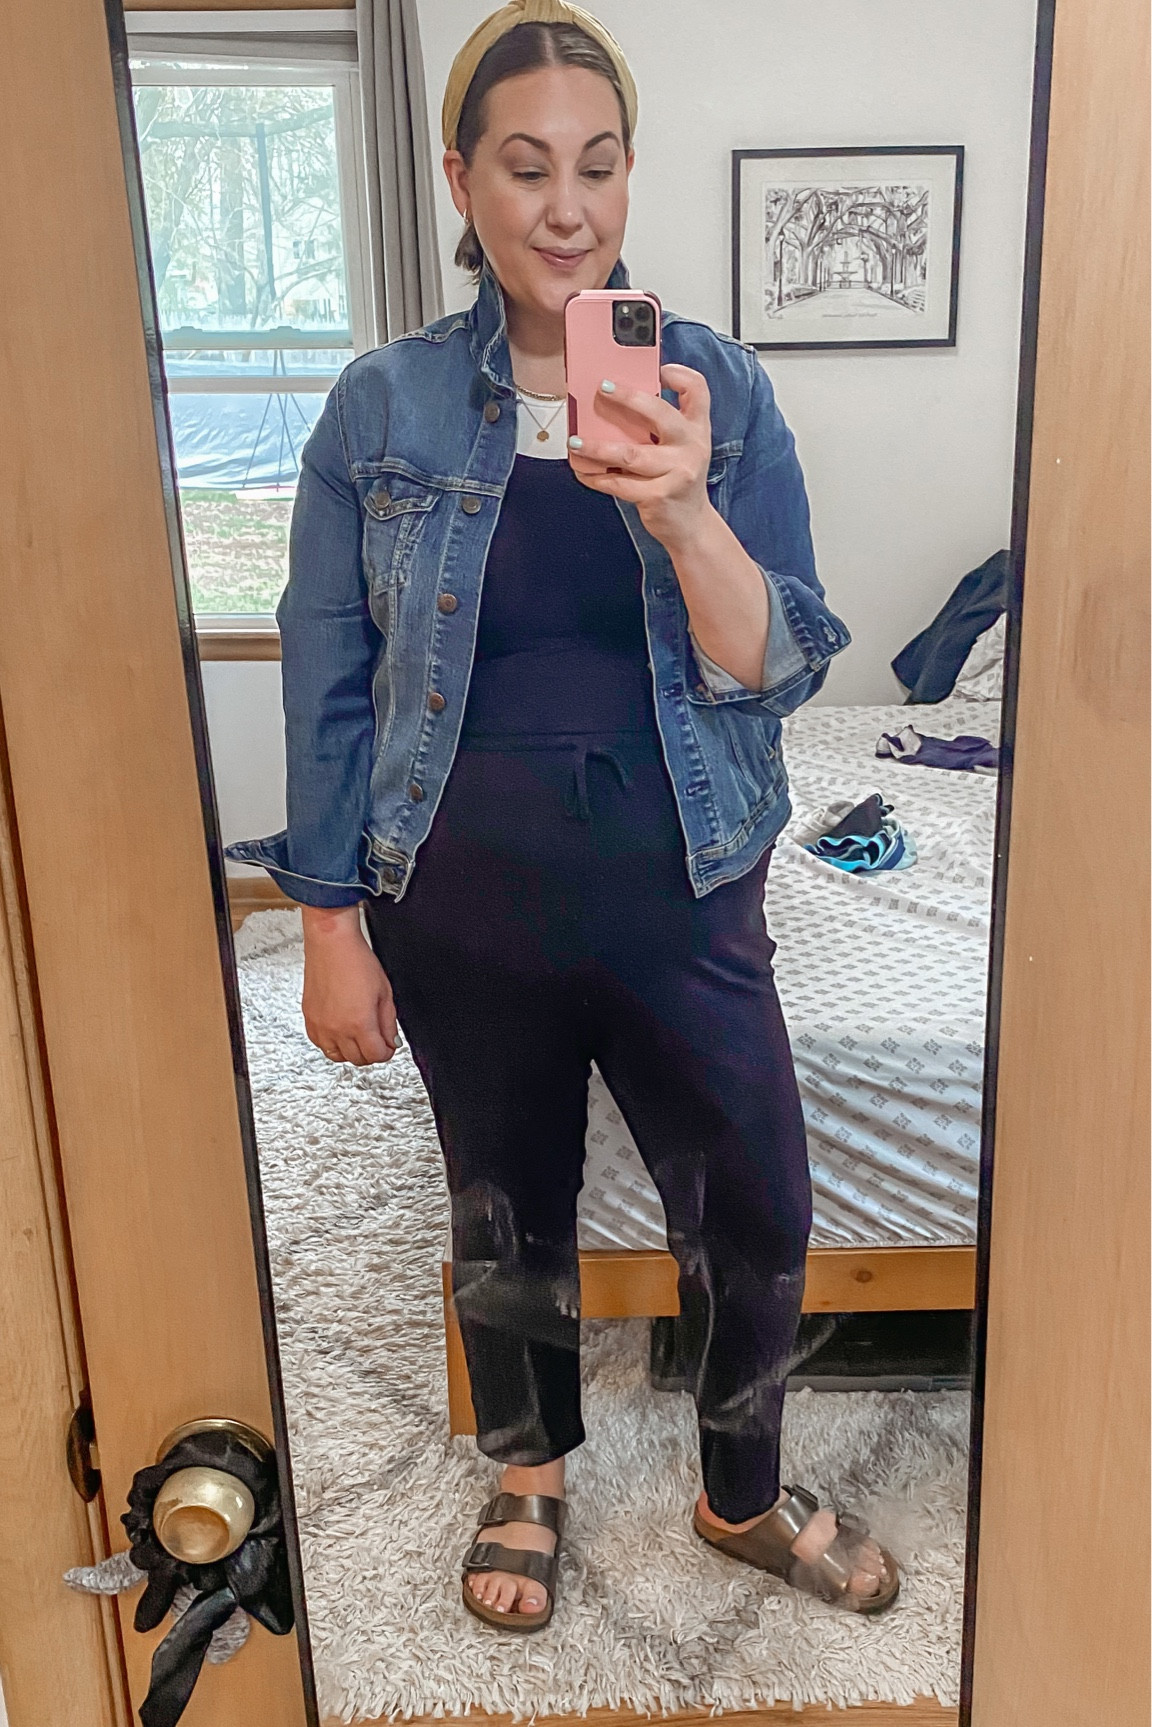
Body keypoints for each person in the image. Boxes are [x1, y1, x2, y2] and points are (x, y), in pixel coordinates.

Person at [230, 0, 900, 1634]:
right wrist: (329, 924)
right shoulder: (380, 408)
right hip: (458, 901)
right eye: (526, 168)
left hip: (685, 886)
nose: (567, 207)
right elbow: (329, 682)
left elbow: (779, 662)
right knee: (501, 1202)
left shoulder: (716, 388)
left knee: (757, 1203)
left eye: (598, 166)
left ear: (628, 176)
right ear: (461, 179)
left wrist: (684, 508)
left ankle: (741, 1491)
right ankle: (528, 1473)